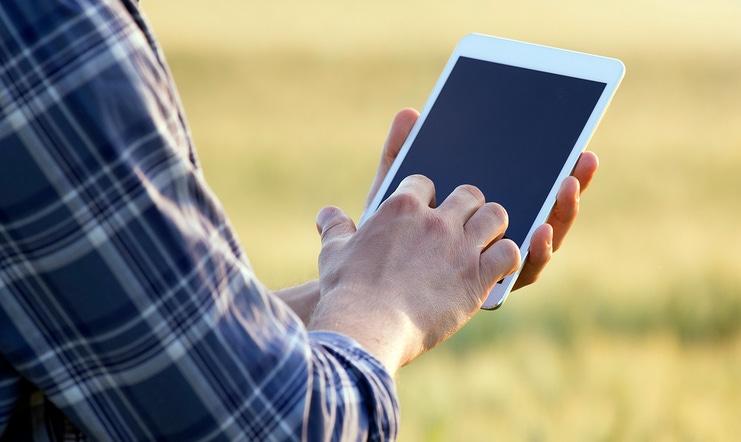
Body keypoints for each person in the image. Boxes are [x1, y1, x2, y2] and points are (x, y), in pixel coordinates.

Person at [0, 0, 599, 440]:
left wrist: (391, 280)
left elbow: (123, 361)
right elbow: (278, 430)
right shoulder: (44, 27)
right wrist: (383, 305)